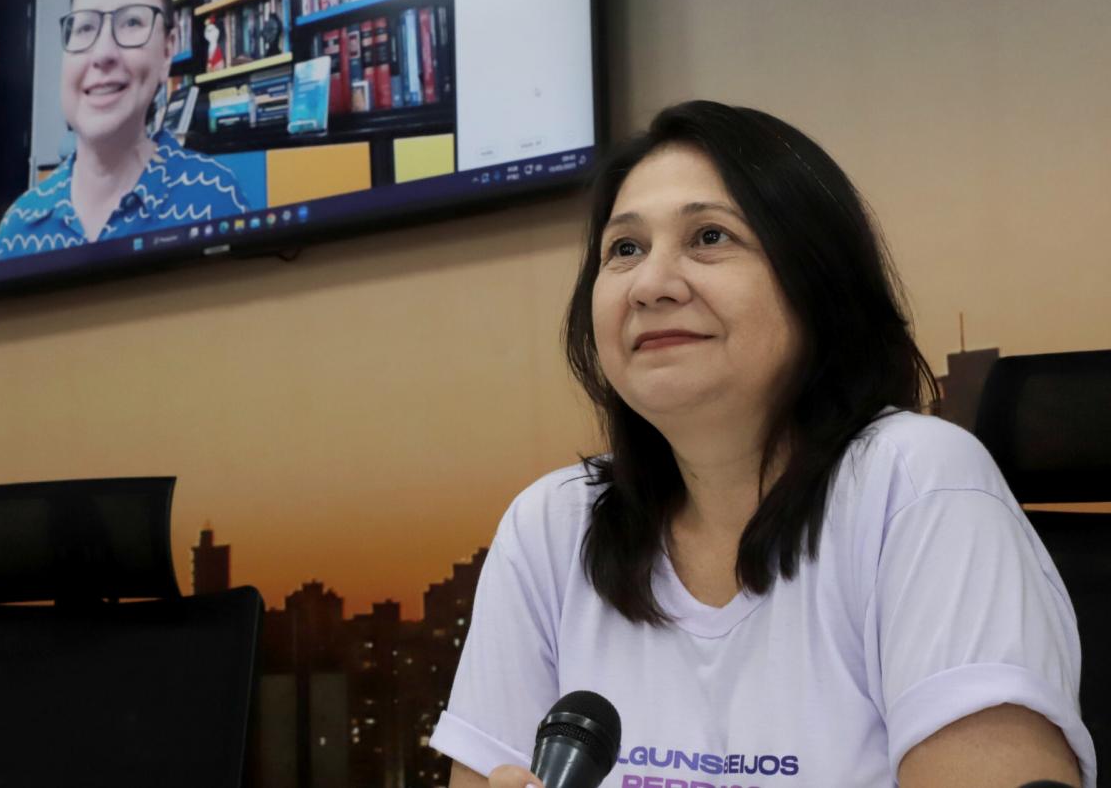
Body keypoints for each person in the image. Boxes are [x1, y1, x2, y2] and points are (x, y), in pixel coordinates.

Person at [432, 102, 1094, 788]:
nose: (651, 285)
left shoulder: (916, 480)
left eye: (710, 237)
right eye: (624, 249)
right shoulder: (551, 526)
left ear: (817, 283)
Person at [0, 0, 248, 259]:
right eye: (85, 27)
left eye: (131, 23)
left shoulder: (216, 201)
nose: (102, 54)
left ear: (167, 51)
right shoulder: (18, 230)